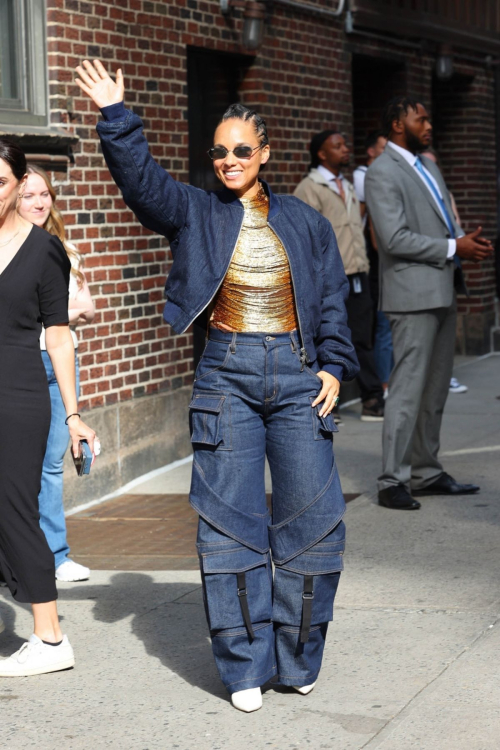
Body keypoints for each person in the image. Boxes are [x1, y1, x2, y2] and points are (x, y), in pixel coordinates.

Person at [76, 59, 359, 713]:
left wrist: (335, 366)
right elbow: (144, 186)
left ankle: (298, 657)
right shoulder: (197, 211)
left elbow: (330, 303)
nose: (228, 160)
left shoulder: (307, 223)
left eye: (241, 150)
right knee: (229, 527)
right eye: (220, 152)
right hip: (225, 377)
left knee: (314, 524)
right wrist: (117, 117)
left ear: (263, 153)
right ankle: (244, 666)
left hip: (296, 378)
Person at [365, 96, 493, 511]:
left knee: (435, 389)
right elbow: (394, 238)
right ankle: (392, 480)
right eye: (421, 118)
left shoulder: (430, 166)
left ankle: (426, 471)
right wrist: (453, 246)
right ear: (398, 124)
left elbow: (443, 223)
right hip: (410, 296)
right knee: (406, 390)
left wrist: (464, 243)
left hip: (442, 289)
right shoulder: (383, 171)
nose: (429, 124)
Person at [0, 139, 96, 676]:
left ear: (17, 186)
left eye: (0, 182)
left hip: (16, 394)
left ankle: (51, 639)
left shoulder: (43, 251)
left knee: (15, 509)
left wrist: (74, 414)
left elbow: (57, 335)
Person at [18, 165, 95, 581]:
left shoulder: (64, 250)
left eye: (44, 194)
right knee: (17, 466)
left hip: (61, 363)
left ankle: (56, 555)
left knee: (50, 464)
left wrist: (54, 317)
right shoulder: (8, 249)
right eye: (29, 194)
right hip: (21, 365)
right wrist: (63, 314)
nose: (39, 202)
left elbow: (90, 306)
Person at [294, 130, 385, 421]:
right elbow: (305, 239)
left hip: (358, 273)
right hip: (330, 280)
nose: (345, 149)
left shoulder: (346, 184)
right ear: (321, 154)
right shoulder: (310, 187)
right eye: (338, 146)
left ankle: (372, 399)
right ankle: (326, 402)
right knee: (326, 337)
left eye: (346, 144)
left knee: (362, 337)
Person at [420, 148, 468, 395]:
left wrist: (465, 242)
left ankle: (447, 375)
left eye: (434, 165)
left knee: (445, 337)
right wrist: (455, 245)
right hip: (424, 275)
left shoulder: (443, 192)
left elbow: (454, 221)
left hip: (449, 270)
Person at [353, 131, 393, 395]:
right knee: (375, 323)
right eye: (383, 147)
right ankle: (379, 385)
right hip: (367, 261)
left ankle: (383, 382)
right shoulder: (361, 177)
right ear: (370, 151)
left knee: (382, 321)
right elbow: (365, 224)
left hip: (371, 261)